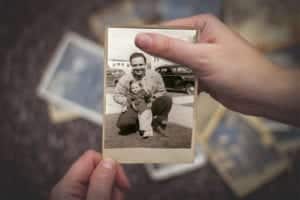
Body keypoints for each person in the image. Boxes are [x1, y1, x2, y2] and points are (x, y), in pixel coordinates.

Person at [50, 14, 300, 200]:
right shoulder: (125, 79)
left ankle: (149, 129)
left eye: (140, 66)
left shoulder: (154, 77)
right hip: (130, 114)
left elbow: (161, 95)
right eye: (135, 66)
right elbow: (119, 95)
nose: (137, 69)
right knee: (128, 122)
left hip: (149, 112)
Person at [113, 52, 172, 136]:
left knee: (167, 99)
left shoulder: (155, 75)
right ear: (131, 65)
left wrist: (153, 97)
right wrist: (128, 101)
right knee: (123, 124)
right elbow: (116, 95)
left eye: (141, 64)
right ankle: (140, 122)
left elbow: (162, 91)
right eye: (135, 65)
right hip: (134, 105)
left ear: (145, 64)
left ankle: (158, 122)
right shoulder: (125, 79)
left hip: (150, 103)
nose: (138, 67)